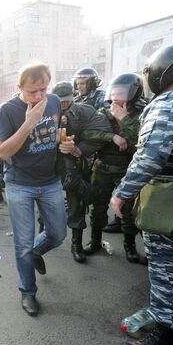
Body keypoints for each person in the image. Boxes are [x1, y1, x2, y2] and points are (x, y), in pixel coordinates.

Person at [111, 43, 173, 345]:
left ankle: (164, 339)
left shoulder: (172, 102)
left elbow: (150, 157)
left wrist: (123, 193)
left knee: (168, 267)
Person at [0, 62, 67, 317]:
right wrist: (29, 123)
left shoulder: (54, 101)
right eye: (32, 92)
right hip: (20, 184)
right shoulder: (7, 111)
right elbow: (2, 152)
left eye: (43, 90)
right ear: (19, 88)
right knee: (22, 244)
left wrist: (66, 143)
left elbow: (54, 134)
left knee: (57, 234)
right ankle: (28, 291)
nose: (38, 97)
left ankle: (36, 251)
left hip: (50, 181)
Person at [85, 73, 147, 264]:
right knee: (98, 206)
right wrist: (112, 137)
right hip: (102, 166)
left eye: (121, 93)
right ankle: (95, 241)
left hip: (127, 169)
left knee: (128, 211)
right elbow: (88, 132)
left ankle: (129, 246)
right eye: (114, 93)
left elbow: (142, 140)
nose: (116, 98)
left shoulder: (141, 114)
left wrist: (124, 118)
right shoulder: (103, 113)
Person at [52, 81, 112, 263]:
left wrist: (78, 149)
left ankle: (76, 245)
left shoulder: (84, 111)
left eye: (66, 101)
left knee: (76, 203)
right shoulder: (45, 112)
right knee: (46, 202)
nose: (63, 104)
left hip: (76, 165)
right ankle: (43, 236)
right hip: (50, 164)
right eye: (60, 101)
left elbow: (102, 130)